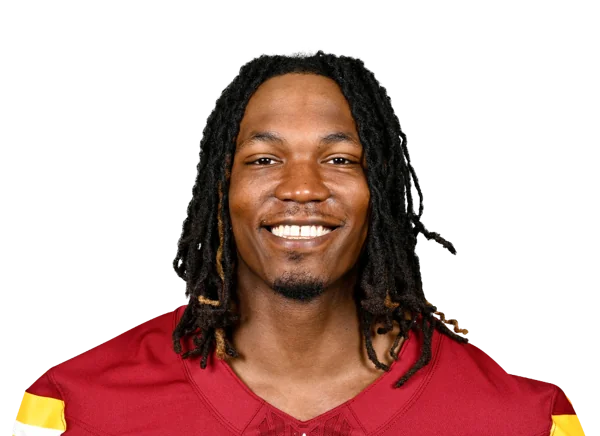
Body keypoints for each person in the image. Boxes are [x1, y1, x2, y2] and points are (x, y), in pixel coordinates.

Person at [13, 49, 584, 435]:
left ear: (379, 192)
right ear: (221, 188)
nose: (302, 188)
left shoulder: (522, 422)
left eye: (340, 159)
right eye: (264, 159)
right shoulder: (72, 410)